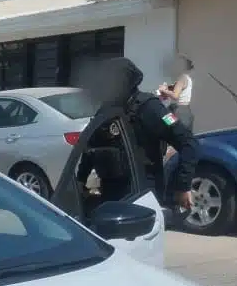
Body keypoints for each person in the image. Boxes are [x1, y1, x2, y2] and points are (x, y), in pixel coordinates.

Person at [82, 56, 198, 212]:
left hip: (143, 197)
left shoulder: (149, 107)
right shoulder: (105, 110)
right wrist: (80, 183)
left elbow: (187, 142)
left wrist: (183, 186)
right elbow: (89, 149)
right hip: (110, 198)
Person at [157, 55, 195, 132]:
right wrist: (165, 91)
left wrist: (164, 90)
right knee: (183, 135)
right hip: (185, 110)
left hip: (178, 111)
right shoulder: (186, 78)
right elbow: (173, 94)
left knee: (171, 129)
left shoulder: (182, 78)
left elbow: (175, 96)